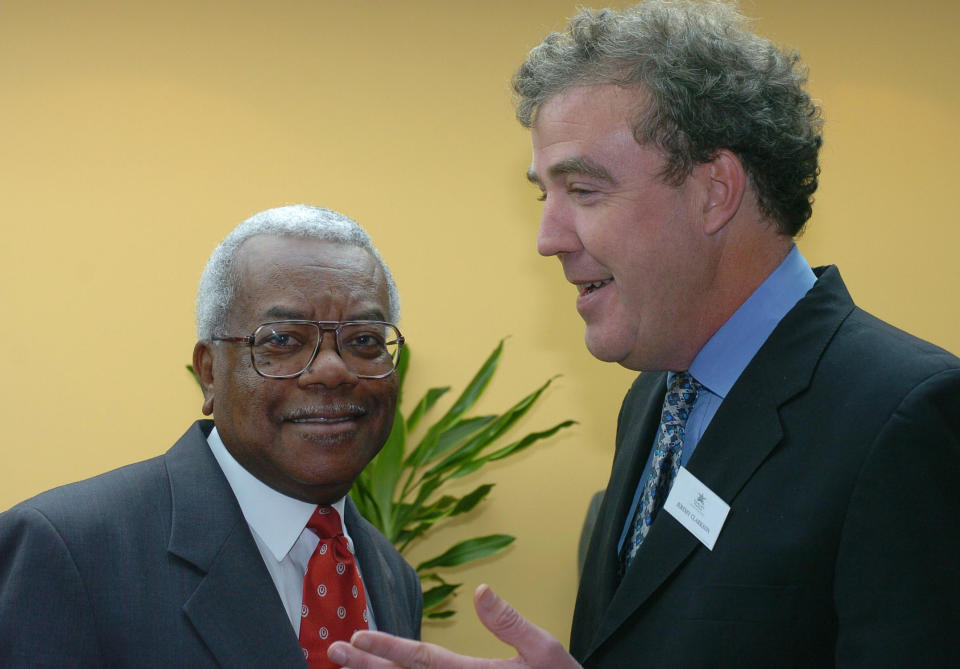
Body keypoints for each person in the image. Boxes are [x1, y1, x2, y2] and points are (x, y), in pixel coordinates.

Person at [329, 1, 960, 668]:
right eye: (545, 194)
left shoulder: (905, 417)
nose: (548, 238)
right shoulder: (656, 396)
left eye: (584, 190)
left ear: (715, 191)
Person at [0, 205, 422, 667]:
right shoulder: (69, 549)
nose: (331, 370)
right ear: (209, 374)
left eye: (364, 340)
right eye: (282, 340)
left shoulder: (393, 577)